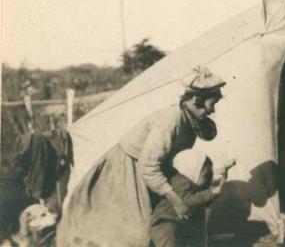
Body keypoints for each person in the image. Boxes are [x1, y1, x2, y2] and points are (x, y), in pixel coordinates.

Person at [56, 66, 226, 247]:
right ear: (197, 101)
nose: (212, 110)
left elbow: (208, 133)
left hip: (153, 170)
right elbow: (148, 167)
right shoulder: (168, 123)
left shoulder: (189, 118)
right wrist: (176, 200)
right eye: (211, 104)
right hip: (126, 169)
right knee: (129, 230)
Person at [149, 149, 235, 247]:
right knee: (169, 238)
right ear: (193, 171)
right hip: (165, 223)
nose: (208, 179)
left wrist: (223, 175)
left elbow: (202, 195)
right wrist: (211, 194)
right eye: (206, 175)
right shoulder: (180, 182)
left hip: (180, 224)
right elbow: (187, 202)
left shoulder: (191, 181)